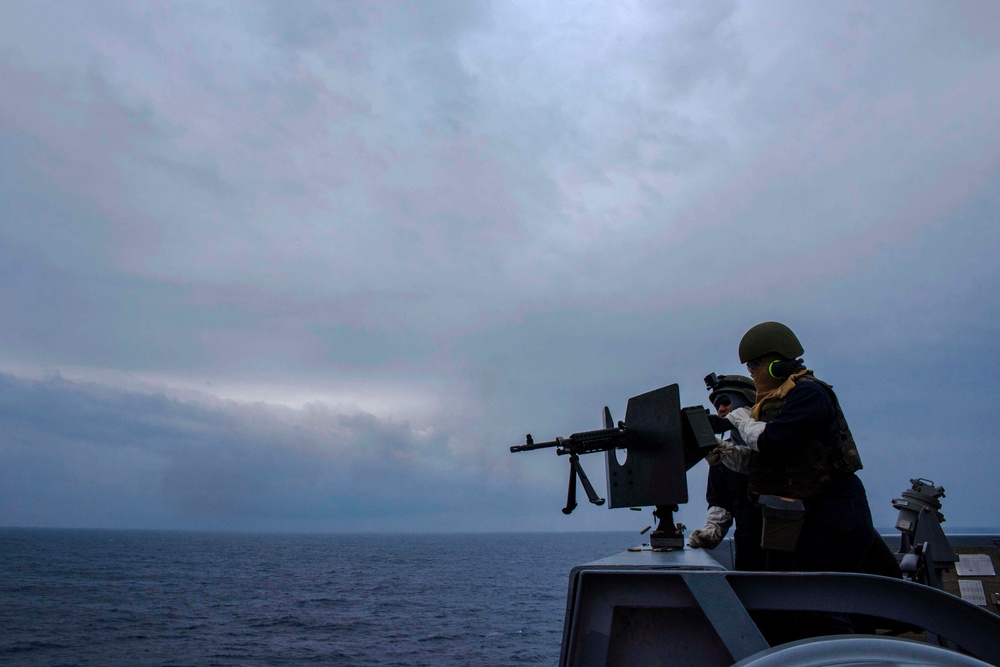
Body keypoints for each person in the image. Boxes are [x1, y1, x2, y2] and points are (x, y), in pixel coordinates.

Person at [720, 321, 898, 640]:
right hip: (807, 517)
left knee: (819, 611)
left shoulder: (809, 394)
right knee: (794, 608)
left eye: (755, 365)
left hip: (835, 515)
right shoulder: (777, 403)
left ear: (777, 364)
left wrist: (743, 421)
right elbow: (773, 464)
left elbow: (771, 442)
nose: (752, 373)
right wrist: (724, 454)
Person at [688, 375, 765, 572]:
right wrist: (710, 532)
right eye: (717, 405)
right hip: (748, 544)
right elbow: (720, 502)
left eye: (726, 402)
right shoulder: (721, 454)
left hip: (784, 542)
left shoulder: (773, 438)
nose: (721, 409)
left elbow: (755, 459)